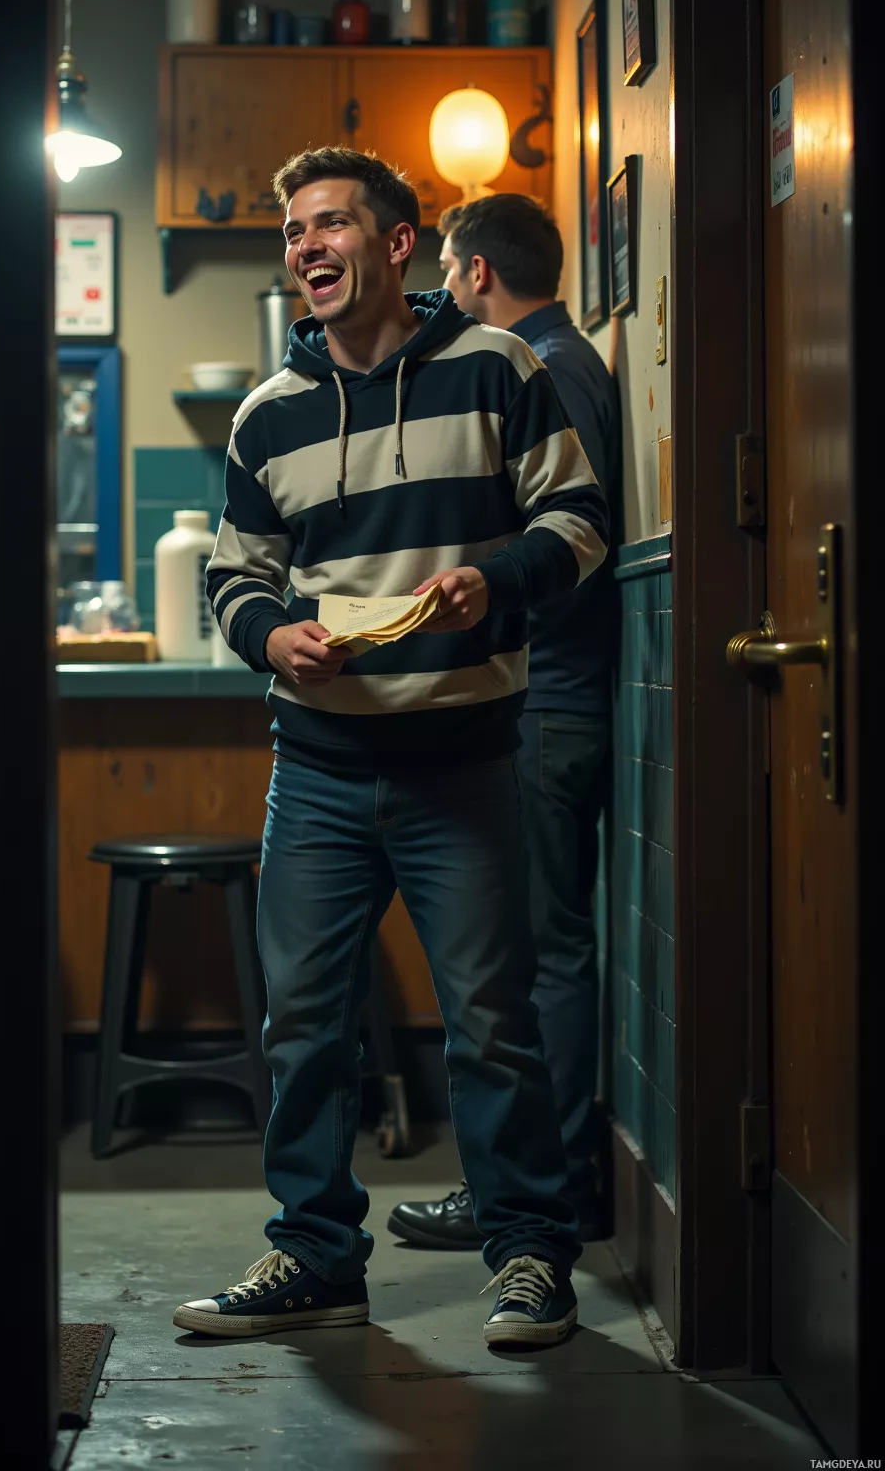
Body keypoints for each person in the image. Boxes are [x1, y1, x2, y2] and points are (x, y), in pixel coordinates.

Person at [172, 150, 609, 1349]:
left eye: (329, 225)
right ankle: (315, 1254)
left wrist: (495, 577)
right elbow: (235, 578)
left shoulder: (498, 367)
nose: (306, 248)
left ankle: (529, 1257)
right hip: (316, 764)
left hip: (464, 760)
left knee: (489, 1019)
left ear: (399, 242)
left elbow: (579, 522)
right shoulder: (269, 413)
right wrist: (274, 639)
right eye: (292, 233)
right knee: (304, 1021)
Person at [388, 194, 621, 1251]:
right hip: (562, 697)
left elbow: (574, 546)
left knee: (536, 953)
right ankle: (544, 1176)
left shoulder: (540, 366)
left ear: (477, 273)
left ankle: (542, 1185)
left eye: (445, 269)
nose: (441, 290)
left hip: (550, 697)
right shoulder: (570, 355)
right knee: (539, 948)